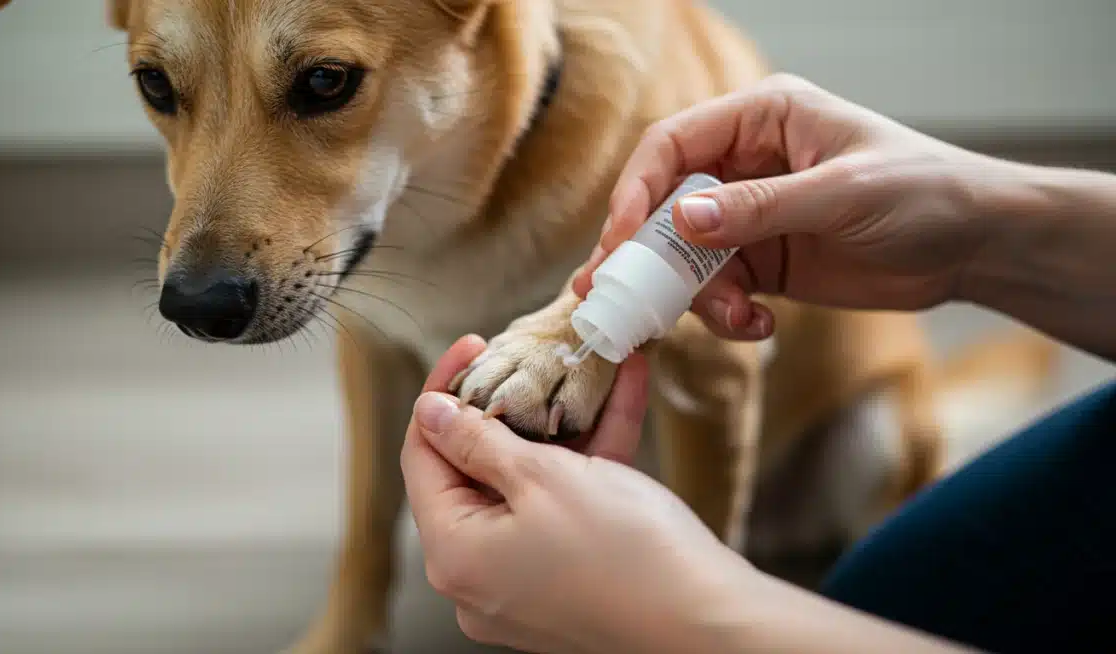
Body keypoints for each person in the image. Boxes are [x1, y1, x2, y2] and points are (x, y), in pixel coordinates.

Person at [399, 73, 1116, 654]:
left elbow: (716, 366)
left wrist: (687, 619)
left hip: (821, 434)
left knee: (882, 598)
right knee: (888, 592)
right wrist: (979, 231)